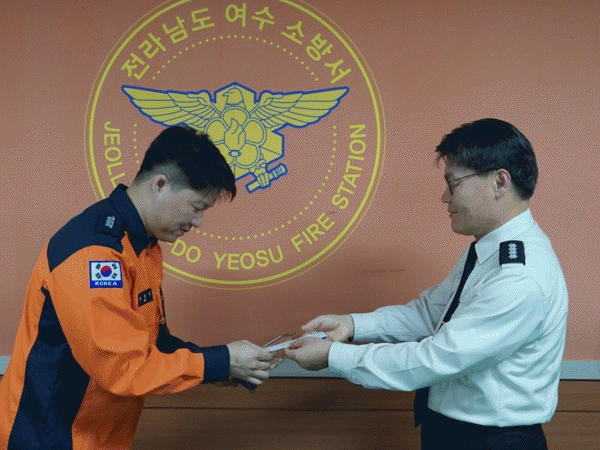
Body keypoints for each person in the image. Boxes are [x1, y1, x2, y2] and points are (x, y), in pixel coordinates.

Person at [285, 118, 568, 450]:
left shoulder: (519, 275)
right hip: (453, 432)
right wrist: (351, 325)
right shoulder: (487, 251)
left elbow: (439, 357)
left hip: (492, 440)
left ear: (499, 182)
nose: (445, 197)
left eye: (454, 183)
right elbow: (428, 314)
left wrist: (335, 356)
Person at [0, 126, 276, 450]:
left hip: (100, 437)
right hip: (49, 439)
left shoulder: (144, 246)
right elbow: (123, 369)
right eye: (197, 206)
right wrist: (219, 361)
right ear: (160, 185)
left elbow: (151, 342)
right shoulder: (95, 254)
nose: (198, 222)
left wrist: (219, 366)